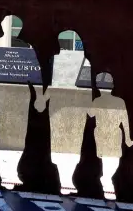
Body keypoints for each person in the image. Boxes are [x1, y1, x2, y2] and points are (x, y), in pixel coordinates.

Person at [0, 15, 43, 190]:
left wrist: (39, 96)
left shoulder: (27, 47)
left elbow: (35, 75)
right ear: (2, 26)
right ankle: (5, 173)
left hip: (22, 96)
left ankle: (12, 171)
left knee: (19, 135)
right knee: (4, 134)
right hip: (3, 95)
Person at [34, 35, 88, 195]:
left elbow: (52, 85)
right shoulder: (81, 61)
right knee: (69, 142)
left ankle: (65, 179)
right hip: (69, 105)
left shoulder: (58, 60)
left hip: (64, 104)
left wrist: (43, 99)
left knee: (65, 142)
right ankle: (65, 179)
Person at [87, 72, 131, 200]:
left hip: (105, 132)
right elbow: (125, 120)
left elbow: (90, 114)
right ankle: (106, 178)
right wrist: (127, 136)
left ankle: (105, 178)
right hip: (109, 132)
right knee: (110, 158)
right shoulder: (119, 101)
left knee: (105, 157)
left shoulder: (98, 101)